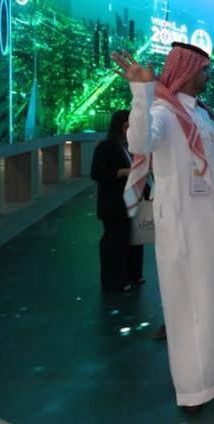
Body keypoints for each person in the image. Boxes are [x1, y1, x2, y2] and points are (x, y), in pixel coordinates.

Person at [111, 43, 214, 411]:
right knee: (190, 302)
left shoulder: (201, 114)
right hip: (183, 221)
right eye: (204, 70)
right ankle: (196, 386)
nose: (207, 77)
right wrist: (141, 93)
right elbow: (140, 141)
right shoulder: (162, 112)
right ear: (189, 71)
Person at [90, 109, 143, 292]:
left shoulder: (130, 146)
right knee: (114, 241)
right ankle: (114, 281)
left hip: (130, 199)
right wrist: (122, 172)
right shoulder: (106, 147)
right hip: (113, 203)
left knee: (131, 239)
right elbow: (97, 173)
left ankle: (132, 274)